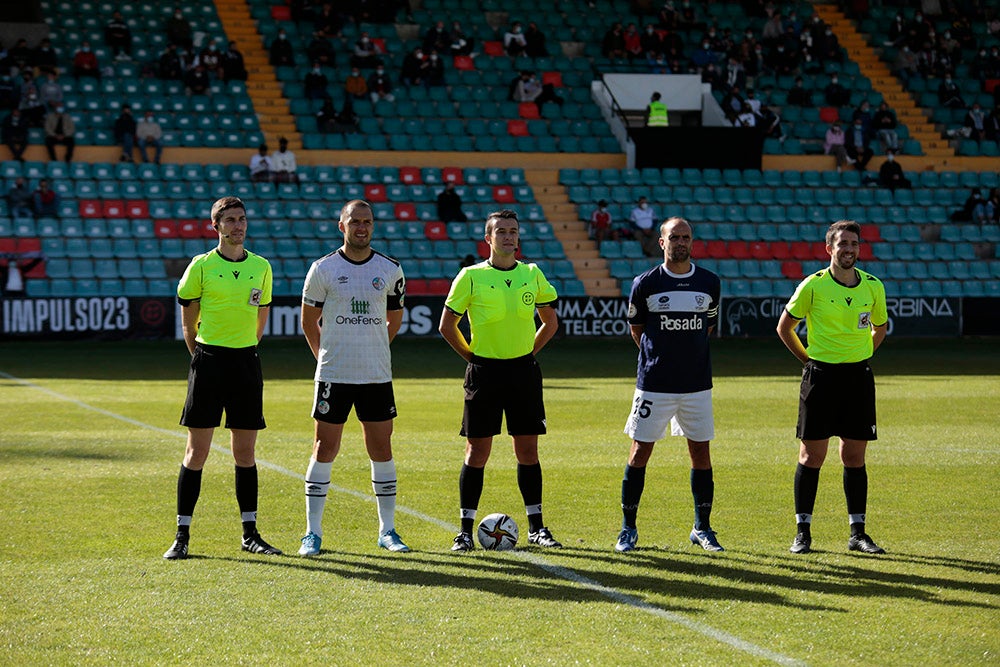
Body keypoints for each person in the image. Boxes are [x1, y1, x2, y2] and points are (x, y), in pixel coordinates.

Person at [163, 196, 280, 560]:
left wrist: (245, 348)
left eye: (242, 219)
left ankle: (250, 534)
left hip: (246, 362)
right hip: (209, 360)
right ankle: (182, 536)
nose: (237, 225)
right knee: (196, 451)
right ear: (215, 226)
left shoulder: (261, 266)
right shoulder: (201, 266)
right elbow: (188, 321)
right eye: (229, 220)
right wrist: (202, 357)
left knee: (245, 452)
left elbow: (261, 316)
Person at [438, 209, 562, 552]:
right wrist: (473, 357)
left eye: (513, 231)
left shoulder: (532, 274)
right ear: (488, 239)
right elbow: (447, 326)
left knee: (527, 450)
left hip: (523, 373)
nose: (508, 236)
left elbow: (550, 323)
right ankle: (464, 532)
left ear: (518, 238)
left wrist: (527, 353)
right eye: (501, 231)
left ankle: (537, 527)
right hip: (484, 374)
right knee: (477, 450)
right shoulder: (470, 277)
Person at [297, 200, 410, 556]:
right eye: (354, 221)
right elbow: (307, 322)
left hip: (376, 374)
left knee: (381, 448)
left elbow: (394, 320)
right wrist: (325, 360)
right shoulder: (323, 269)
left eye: (367, 222)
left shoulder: (390, 269)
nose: (361, 227)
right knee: (324, 447)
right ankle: (312, 533)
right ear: (341, 226)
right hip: (334, 374)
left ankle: (387, 530)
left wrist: (371, 347)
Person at [776, 220, 888, 556]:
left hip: (857, 379)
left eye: (854, 244)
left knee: (853, 456)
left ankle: (858, 534)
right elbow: (785, 327)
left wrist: (863, 353)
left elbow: (880, 327)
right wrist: (807, 360)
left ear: (859, 248)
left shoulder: (873, 286)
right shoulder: (813, 286)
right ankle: (803, 533)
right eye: (842, 244)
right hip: (820, 378)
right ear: (829, 249)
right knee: (812, 455)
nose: (849, 250)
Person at [616, 216, 722, 553]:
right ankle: (628, 528)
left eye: (685, 237)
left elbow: (707, 327)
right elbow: (638, 330)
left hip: (696, 384)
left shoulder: (709, 282)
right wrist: (658, 357)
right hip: (655, 384)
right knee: (639, 452)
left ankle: (702, 527)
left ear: (692, 242)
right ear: (661, 242)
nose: (680, 242)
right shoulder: (645, 283)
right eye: (673, 237)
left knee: (700, 454)